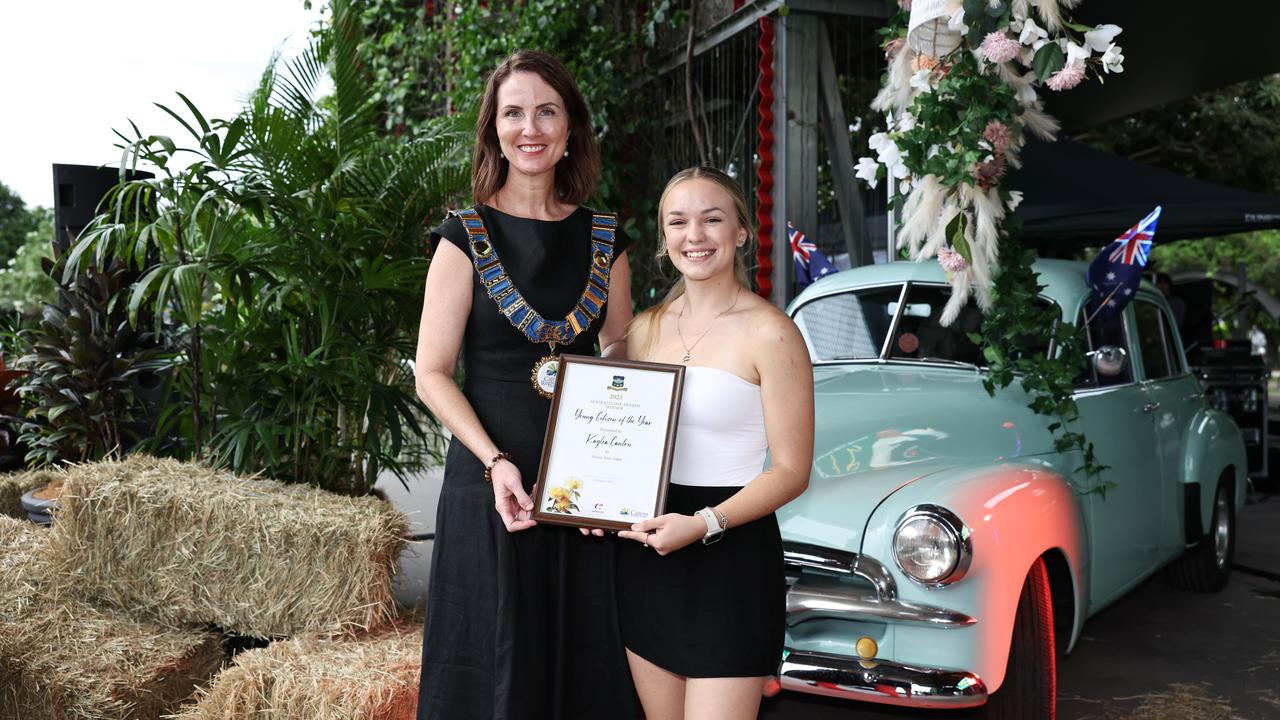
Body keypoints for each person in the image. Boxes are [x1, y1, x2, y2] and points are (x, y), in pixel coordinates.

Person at [414, 50, 636, 720]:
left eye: (546, 111)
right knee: (489, 663)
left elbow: (620, 350)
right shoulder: (463, 237)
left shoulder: (605, 238)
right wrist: (495, 464)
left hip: (583, 488)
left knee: (583, 659)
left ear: (570, 129)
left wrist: (612, 471)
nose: (529, 126)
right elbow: (431, 373)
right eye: (513, 112)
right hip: (490, 482)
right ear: (494, 129)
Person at [615, 166, 814, 719]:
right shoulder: (642, 331)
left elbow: (792, 471)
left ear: (741, 233)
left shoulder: (772, 333)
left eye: (712, 219)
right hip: (648, 552)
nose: (694, 235)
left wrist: (703, 524)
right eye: (678, 222)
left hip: (730, 554)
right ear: (664, 238)